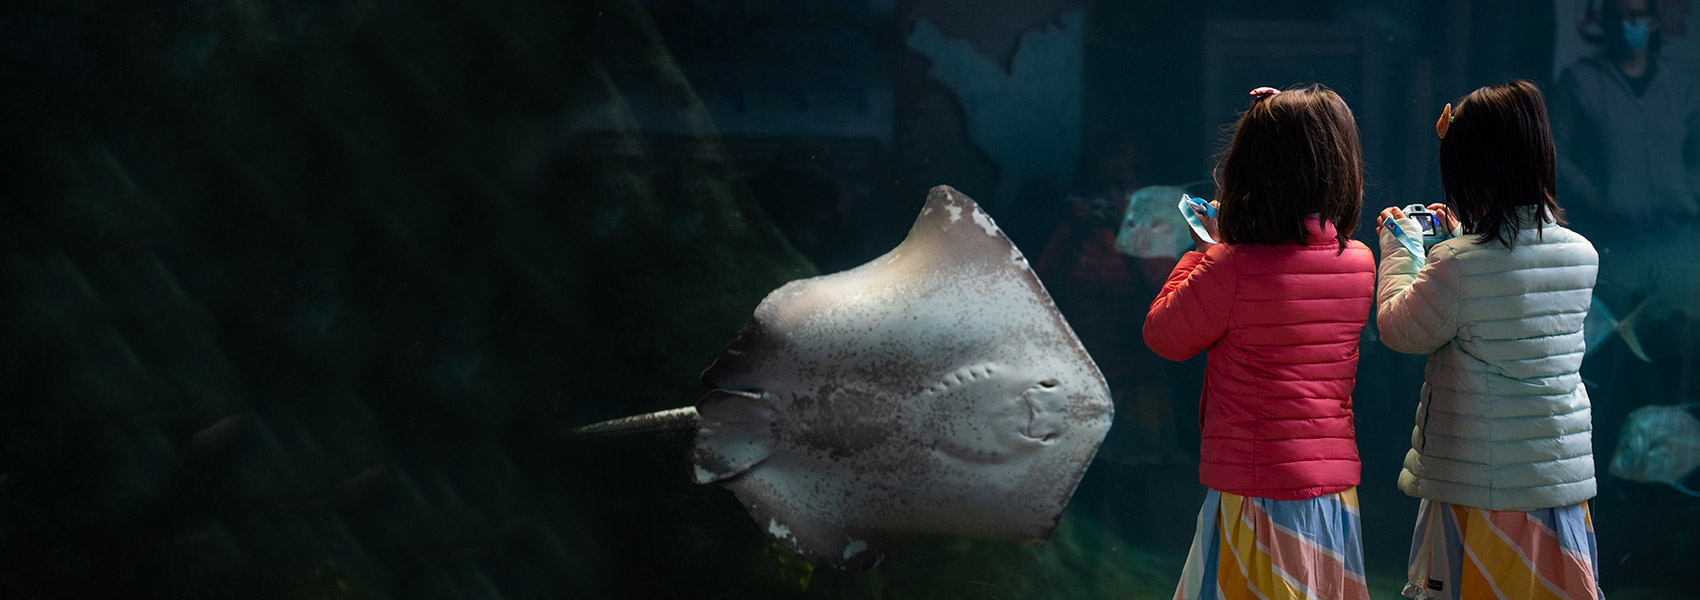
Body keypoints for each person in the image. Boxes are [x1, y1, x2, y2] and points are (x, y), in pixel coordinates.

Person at [1143, 84, 1375, 600]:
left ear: (1251, 171)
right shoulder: (1358, 261)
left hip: (1257, 490)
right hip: (1334, 493)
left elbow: (1163, 334)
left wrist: (1208, 247)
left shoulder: (1233, 267)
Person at [1375, 81, 1604, 600]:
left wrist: (1400, 249)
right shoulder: (1581, 253)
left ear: (1468, 171)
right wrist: (1464, 234)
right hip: (1555, 491)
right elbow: (1509, 285)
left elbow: (1399, 327)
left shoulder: (1457, 264)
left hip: (1478, 491)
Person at [1551, 0, 1700, 228]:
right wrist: (1593, 200)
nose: (1624, 24)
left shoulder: (1681, 85)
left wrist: (1689, 196)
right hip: (1612, 237)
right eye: (1616, 16)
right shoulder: (1580, 81)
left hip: (1676, 239)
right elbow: (1554, 152)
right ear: (1604, 22)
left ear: (1652, 23)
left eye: (1634, 15)